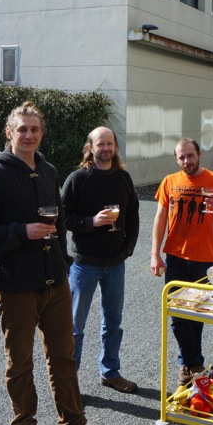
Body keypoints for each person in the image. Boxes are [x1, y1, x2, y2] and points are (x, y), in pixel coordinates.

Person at [0, 102, 113, 425]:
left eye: (34, 129)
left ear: (42, 133)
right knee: (19, 361)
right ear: (9, 133)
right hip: (16, 284)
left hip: (55, 281)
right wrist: (21, 231)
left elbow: (59, 223)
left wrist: (63, 263)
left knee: (64, 356)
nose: (29, 135)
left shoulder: (48, 171)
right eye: (22, 129)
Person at [61, 126, 139, 394]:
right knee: (74, 327)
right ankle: (69, 384)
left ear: (115, 146)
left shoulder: (123, 178)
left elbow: (133, 214)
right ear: (90, 147)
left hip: (116, 264)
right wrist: (91, 222)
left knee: (113, 324)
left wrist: (128, 246)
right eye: (100, 144)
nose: (106, 148)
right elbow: (62, 218)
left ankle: (110, 372)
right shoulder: (78, 179)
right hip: (84, 265)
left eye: (110, 143)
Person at [151, 138, 213, 385]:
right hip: (175, 256)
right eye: (182, 157)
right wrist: (155, 253)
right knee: (177, 314)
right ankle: (192, 363)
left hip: (203, 258)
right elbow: (160, 219)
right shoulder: (169, 181)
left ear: (199, 154)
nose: (186, 161)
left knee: (197, 314)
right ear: (176, 159)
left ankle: (189, 364)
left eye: (190, 155)